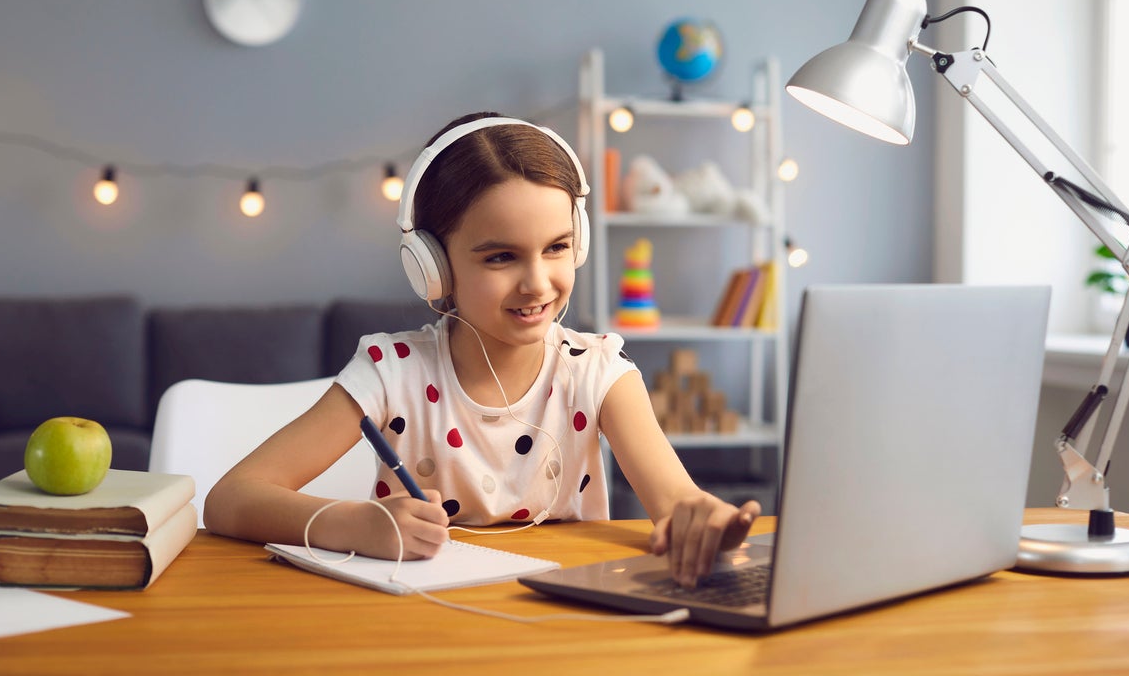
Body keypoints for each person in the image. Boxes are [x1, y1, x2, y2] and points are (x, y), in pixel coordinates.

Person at [204, 112, 761, 588]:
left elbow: (677, 500)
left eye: (557, 247)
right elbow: (229, 499)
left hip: (559, 617)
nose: (537, 283)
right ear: (433, 266)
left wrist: (700, 518)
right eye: (500, 258)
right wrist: (349, 523)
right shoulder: (390, 372)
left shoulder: (599, 372)